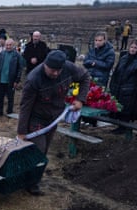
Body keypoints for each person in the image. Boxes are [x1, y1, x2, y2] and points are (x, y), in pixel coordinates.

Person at [17, 50, 90, 195]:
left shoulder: (69, 68)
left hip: (54, 118)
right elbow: (25, 106)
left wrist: (80, 99)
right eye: (52, 70)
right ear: (45, 65)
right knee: (39, 149)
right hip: (36, 119)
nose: (56, 74)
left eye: (58, 71)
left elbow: (85, 77)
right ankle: (31, 183)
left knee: (44, 151)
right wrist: (21, 131)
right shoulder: (34, 79)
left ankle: (33, 179)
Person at [109, 40, 137, 133]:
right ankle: (119, 126)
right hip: (119, 87)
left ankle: (123, 128)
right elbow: (116, 72)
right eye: (131, 47)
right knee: (119, 106)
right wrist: (112, 85)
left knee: (127, 109)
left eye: (135, 48)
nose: (133, 49)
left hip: (131, 90)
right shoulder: (123, 58)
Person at [0, 38, 22, 117]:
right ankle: (0, 112)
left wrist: (17, 80)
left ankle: (10, 113)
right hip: (1, 80)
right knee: (0, 98)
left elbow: (20, 69)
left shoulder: (17, 55)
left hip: (11, 81)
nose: (8, 47)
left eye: (10, 45)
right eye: (7, 45)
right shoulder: (1, 54)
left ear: (13, 45)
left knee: (10, 98)